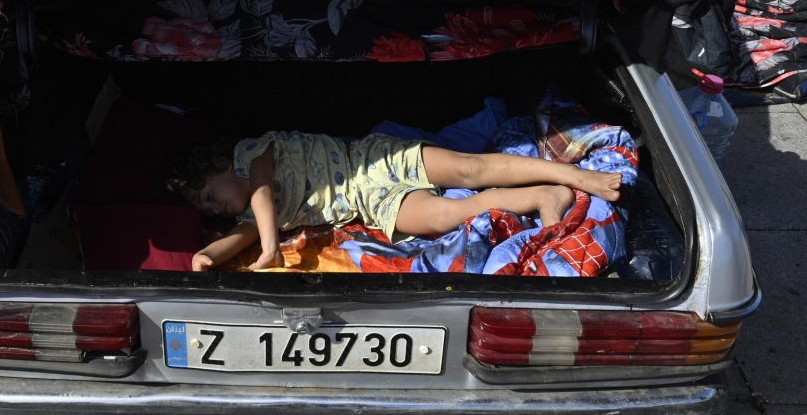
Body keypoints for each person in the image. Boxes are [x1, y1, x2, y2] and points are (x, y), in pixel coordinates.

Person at [168, 131, 622, 272]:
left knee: (470, 168)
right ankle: (546, 194)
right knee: (444, 217)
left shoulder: (253, 153)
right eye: (207, 210)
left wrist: (269, 250)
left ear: (220, 165)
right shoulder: (251, 217)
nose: (215, 207)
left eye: (210, 194)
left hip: (374, 160)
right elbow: (234, 237)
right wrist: (205, 258)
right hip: (372, 203)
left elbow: (264, 190)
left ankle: (574, 174)